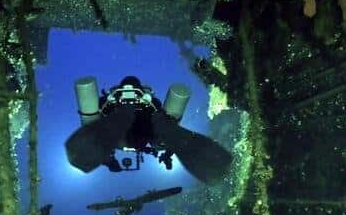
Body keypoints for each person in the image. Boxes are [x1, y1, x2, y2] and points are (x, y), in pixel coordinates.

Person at [64, 76, 232, 184]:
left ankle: (127, 116)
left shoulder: (107, 103)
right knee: (162, 128)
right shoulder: (151, 103)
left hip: (118, 132)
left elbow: (95, 130)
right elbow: (163, 128)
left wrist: (108, 162)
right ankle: (130, 118)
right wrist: (167, 150)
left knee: (127, 125)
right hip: (142, 132)